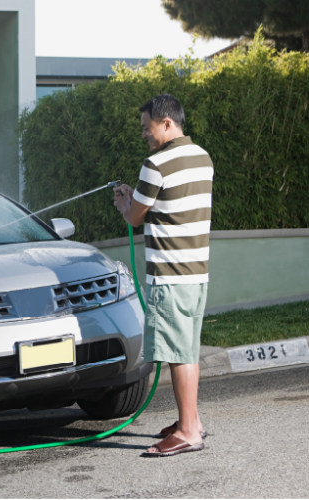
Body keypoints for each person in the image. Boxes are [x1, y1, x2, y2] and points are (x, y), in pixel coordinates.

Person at [113, 94, 214, 458]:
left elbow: (135, 217)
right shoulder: (202, 157)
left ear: (166, 123)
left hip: (170, 273)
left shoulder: (155, 164)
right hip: (196, 270)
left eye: (147, 128)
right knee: (187, 348)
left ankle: (188, 431)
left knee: (178, 352)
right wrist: (136, 199)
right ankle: (193, 421)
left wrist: (124, 201)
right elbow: (170, 206)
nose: (145, 136)